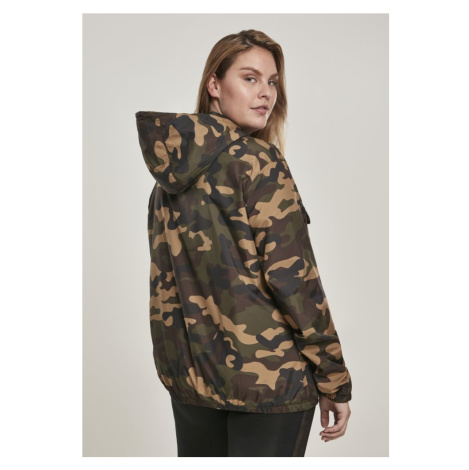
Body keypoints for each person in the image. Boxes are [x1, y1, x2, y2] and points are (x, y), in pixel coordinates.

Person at [135, 29, 352, 457]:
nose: (265, 93)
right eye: (250, 78)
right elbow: (294, 282)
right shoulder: (259, 163)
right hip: (270, 386)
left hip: (193, 383)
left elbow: (166, 286)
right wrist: (334, 380)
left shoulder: (167, 181)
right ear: (214, 85)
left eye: (272, 82)